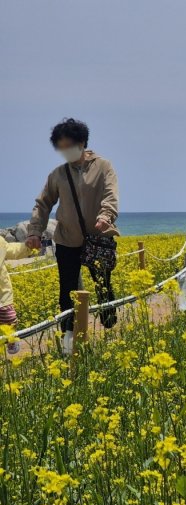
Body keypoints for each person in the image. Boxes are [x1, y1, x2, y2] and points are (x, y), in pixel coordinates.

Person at [27, 118, 120, 355]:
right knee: (67, 290)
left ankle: (110, 331)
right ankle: (69, 340)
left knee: (103, 285)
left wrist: (106, 216)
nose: (64, 151)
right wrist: (35, 232)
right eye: (60, 147)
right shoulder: (58, 174)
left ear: (81, 143)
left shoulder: (104, 166)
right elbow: (43, 203)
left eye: (68, 145)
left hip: (98, 237)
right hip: (67, 239)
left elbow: (111, 194)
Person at [0, 238, 33, 355]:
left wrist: (28, 247)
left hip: (3, 294)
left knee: (9, 318)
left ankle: (11, 340)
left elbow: (12, 250)